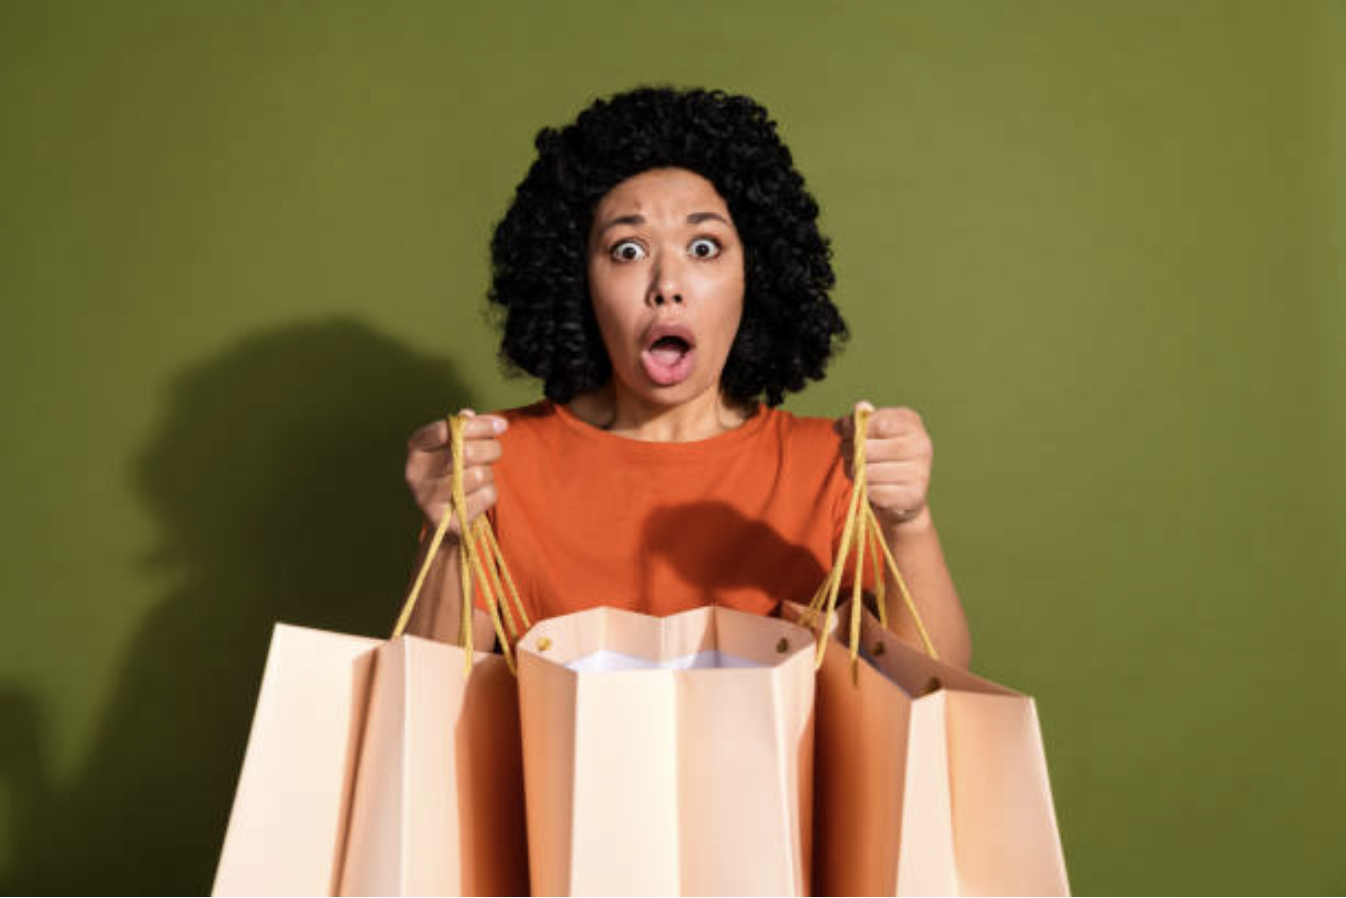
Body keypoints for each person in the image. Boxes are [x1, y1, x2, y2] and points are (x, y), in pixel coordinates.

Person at [402, 86, 971, 667]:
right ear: (578, 283)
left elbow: (932, 684)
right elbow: (425, 696)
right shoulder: (496, 467)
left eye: (704, 247)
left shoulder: (833, 466)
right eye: (627, 250)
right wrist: (450, 538)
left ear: (756, 276)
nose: (666, 283)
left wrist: (909, 523)